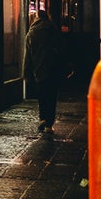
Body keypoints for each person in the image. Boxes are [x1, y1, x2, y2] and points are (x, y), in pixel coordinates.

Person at [24, 9, 71, 138]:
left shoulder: (31, 32)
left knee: (42, 95)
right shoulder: (53, 30)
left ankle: (42, 118)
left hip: (38, 70)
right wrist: (66, 67)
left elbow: (27, 56)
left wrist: (27, 73)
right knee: (52, 96)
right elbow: (62, 49)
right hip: (53, 69)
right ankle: (49, 124)